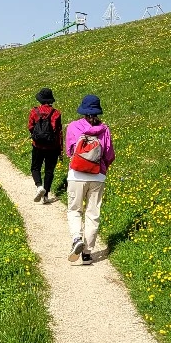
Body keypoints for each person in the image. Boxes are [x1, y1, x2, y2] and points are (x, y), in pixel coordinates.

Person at [64, 94, 115, 265]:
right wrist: (102, 168)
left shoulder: (73, 126)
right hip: (98, 176)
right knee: (93, 213)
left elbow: (70, 152)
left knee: (74, 209)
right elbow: (109, 155)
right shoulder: (104, 129)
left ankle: (77, 238)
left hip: (77, 175)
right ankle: (87, 254)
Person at [28, 88, 63, 204]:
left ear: (40, 100)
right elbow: (59, 133)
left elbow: (30, 127)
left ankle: (39, 186)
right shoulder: (56, 113)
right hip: (52, 147)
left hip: (37, 145)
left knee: (35, 167)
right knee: (49, 170)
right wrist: (60, 149)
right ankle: (46, 196)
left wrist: (35, 134)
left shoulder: (34, 111)